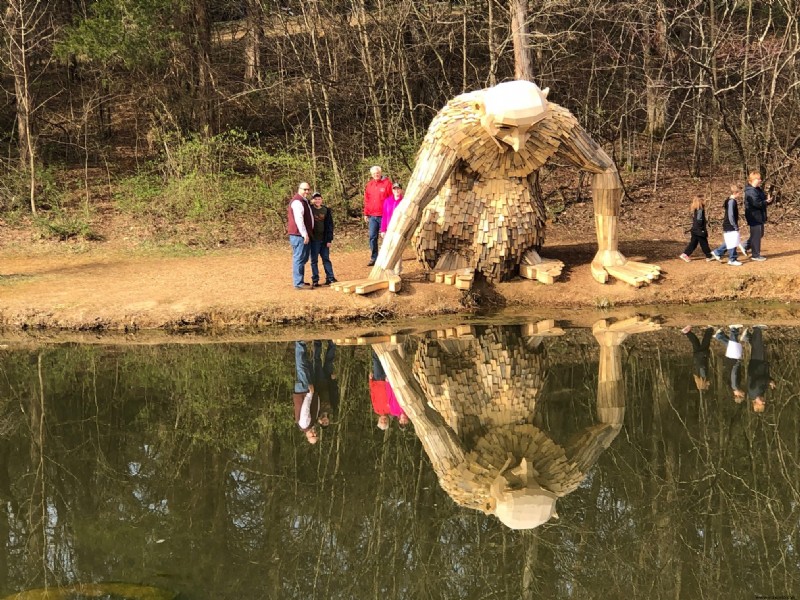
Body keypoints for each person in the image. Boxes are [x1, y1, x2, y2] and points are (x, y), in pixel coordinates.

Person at [363, 165, 393, 266]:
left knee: (386, 236)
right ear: (371, 175)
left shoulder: (387, 183)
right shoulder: (369, 185)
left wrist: (390, 212)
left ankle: (387, 256)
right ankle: (374, 257)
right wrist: (366, 213)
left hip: (384, 215)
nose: (376, 175)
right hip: (372, 216)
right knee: (372, 237)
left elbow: (391, 199)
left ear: (380, 173)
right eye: (374, 173)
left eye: (378, 173)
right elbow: (367, 200)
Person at [741, 171, 773, 262]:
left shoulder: (757, 189)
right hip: (754, 216)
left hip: (759, 215)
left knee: (760, 234)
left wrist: (768, 201)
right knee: (756, 236)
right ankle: (755, 255)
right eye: (758, 179)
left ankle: (745, 245)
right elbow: (756, 204)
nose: (760, 180)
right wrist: (766, 202)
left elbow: (762, 202)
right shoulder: (750, 191)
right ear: (753, 180)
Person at [287, 182, 314, 289]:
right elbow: (299, 219)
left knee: (303, 257)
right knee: (299, 257)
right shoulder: (297, 202)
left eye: (308, 189)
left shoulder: (304, 201)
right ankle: (298, 283)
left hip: (302, 234)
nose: (307, 191)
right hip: (298, 235)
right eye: (304, 189)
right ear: (299, 189)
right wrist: (304, 234)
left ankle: (300, 281)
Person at [309, 192, 337, 287]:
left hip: (324, 239)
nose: (317, 201)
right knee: (314, 260)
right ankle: (315, 279)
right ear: (313, 200)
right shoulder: (310, 209)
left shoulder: (326, 210)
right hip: (314, 240)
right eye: (315, 199)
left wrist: (329, 240)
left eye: (319, 199)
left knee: (326, 259)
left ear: (322, 199)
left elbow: (330, 226)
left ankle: (330, 278)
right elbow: (305, 205)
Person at [710, 184, 743, 266]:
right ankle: (732, 259)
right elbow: (731, 215)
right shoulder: (732, 201)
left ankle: (717, 252)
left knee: (730, 241)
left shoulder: (729, 200)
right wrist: (734, 226)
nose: (740, 194)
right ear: (736, 192)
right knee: (733, 242)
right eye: (739, 192)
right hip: (730, 225)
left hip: (728, 224)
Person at [293, 341, 319, 444]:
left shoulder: (304, 424)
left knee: (302, 367)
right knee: (306, 367)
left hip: (304, 393)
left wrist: (310, 394)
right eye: (316, 435)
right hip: (305, 392)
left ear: (307, 436)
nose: (314, 433)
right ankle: (302, 344)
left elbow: (305, 408)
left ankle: (300, 342)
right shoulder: (311, 424)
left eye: (312, 436)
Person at [714, 325, 746, 402]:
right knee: (731, 346)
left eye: (743, 395)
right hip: (730, 363)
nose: (744, 393)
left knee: (734, 345)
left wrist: (736, 364)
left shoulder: (735, 386)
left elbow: (734, 374)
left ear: (738, 395)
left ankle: (734, 328)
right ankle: (719, 336)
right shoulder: (732, 387)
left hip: (733, 363)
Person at [746, 325, 774, 413]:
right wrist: (770, 382)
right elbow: (765, 380)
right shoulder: (759, 393)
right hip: (760, 365)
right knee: (759, 348)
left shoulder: (754, 392)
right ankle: (748, 336)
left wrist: (769, 382)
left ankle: (756, 328)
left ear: (756, 403)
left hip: (756, 365)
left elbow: (760, 381)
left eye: (762, 403)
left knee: (758, 347)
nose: (764, 401)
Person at [379, 182, 405, 275]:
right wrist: (383, 230)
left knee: (397, 250)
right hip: (389, 228)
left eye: (398, 188)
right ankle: (388, 270)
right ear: (392, 190)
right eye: (395, 189)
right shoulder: (387, 201)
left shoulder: (404, 201)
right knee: (387, 249)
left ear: (401, 190)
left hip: (399, 229)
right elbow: (384, 216)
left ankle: (398, 272)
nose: (396, 190)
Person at [679, 195, 713, 262]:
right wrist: (702, 229)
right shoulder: (700, 210)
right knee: (704, 243)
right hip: (699, 231)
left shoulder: (697, 209)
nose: (705, 201)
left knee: (693, 244)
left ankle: (685, 254)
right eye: (704, 200)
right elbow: (699, 220)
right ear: (701, 201)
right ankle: (709, 256)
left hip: (695, 230)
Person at [313, 340, 339, 427]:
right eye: (326, 422)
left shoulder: (316, 412)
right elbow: (335, 394)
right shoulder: (332, 409)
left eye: (323, 423)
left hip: (318, 382)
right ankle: (332, 342)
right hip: (328, 382)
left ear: (320, 422)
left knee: (317, 361)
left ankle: (317, 342)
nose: (325, 421)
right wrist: (334, 381)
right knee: (329, 361)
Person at [681, 325, 712, 391]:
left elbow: (702, 366)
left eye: (707, 385)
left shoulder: (703, 376)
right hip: (696, 357)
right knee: (695, 342)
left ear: (703, 384)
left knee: (706, 342)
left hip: (702, 355)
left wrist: (705, 356)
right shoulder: (696, 376)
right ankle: (687, 332)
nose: (708, 384)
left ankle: (709, 329)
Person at [369, 347, 390, 430]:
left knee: (376, 359)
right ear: (388, 421)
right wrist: (388, 383)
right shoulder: (391, 410)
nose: (383, 421)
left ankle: (376, 343)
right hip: (386, 380)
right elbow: (392, 394)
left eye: (382, 422)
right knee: (387, 359)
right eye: (385, 422)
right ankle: (387, 343)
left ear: (379, 420)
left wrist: (370, 380)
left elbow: (372, 394)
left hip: (377, 380)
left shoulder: (376, 410)